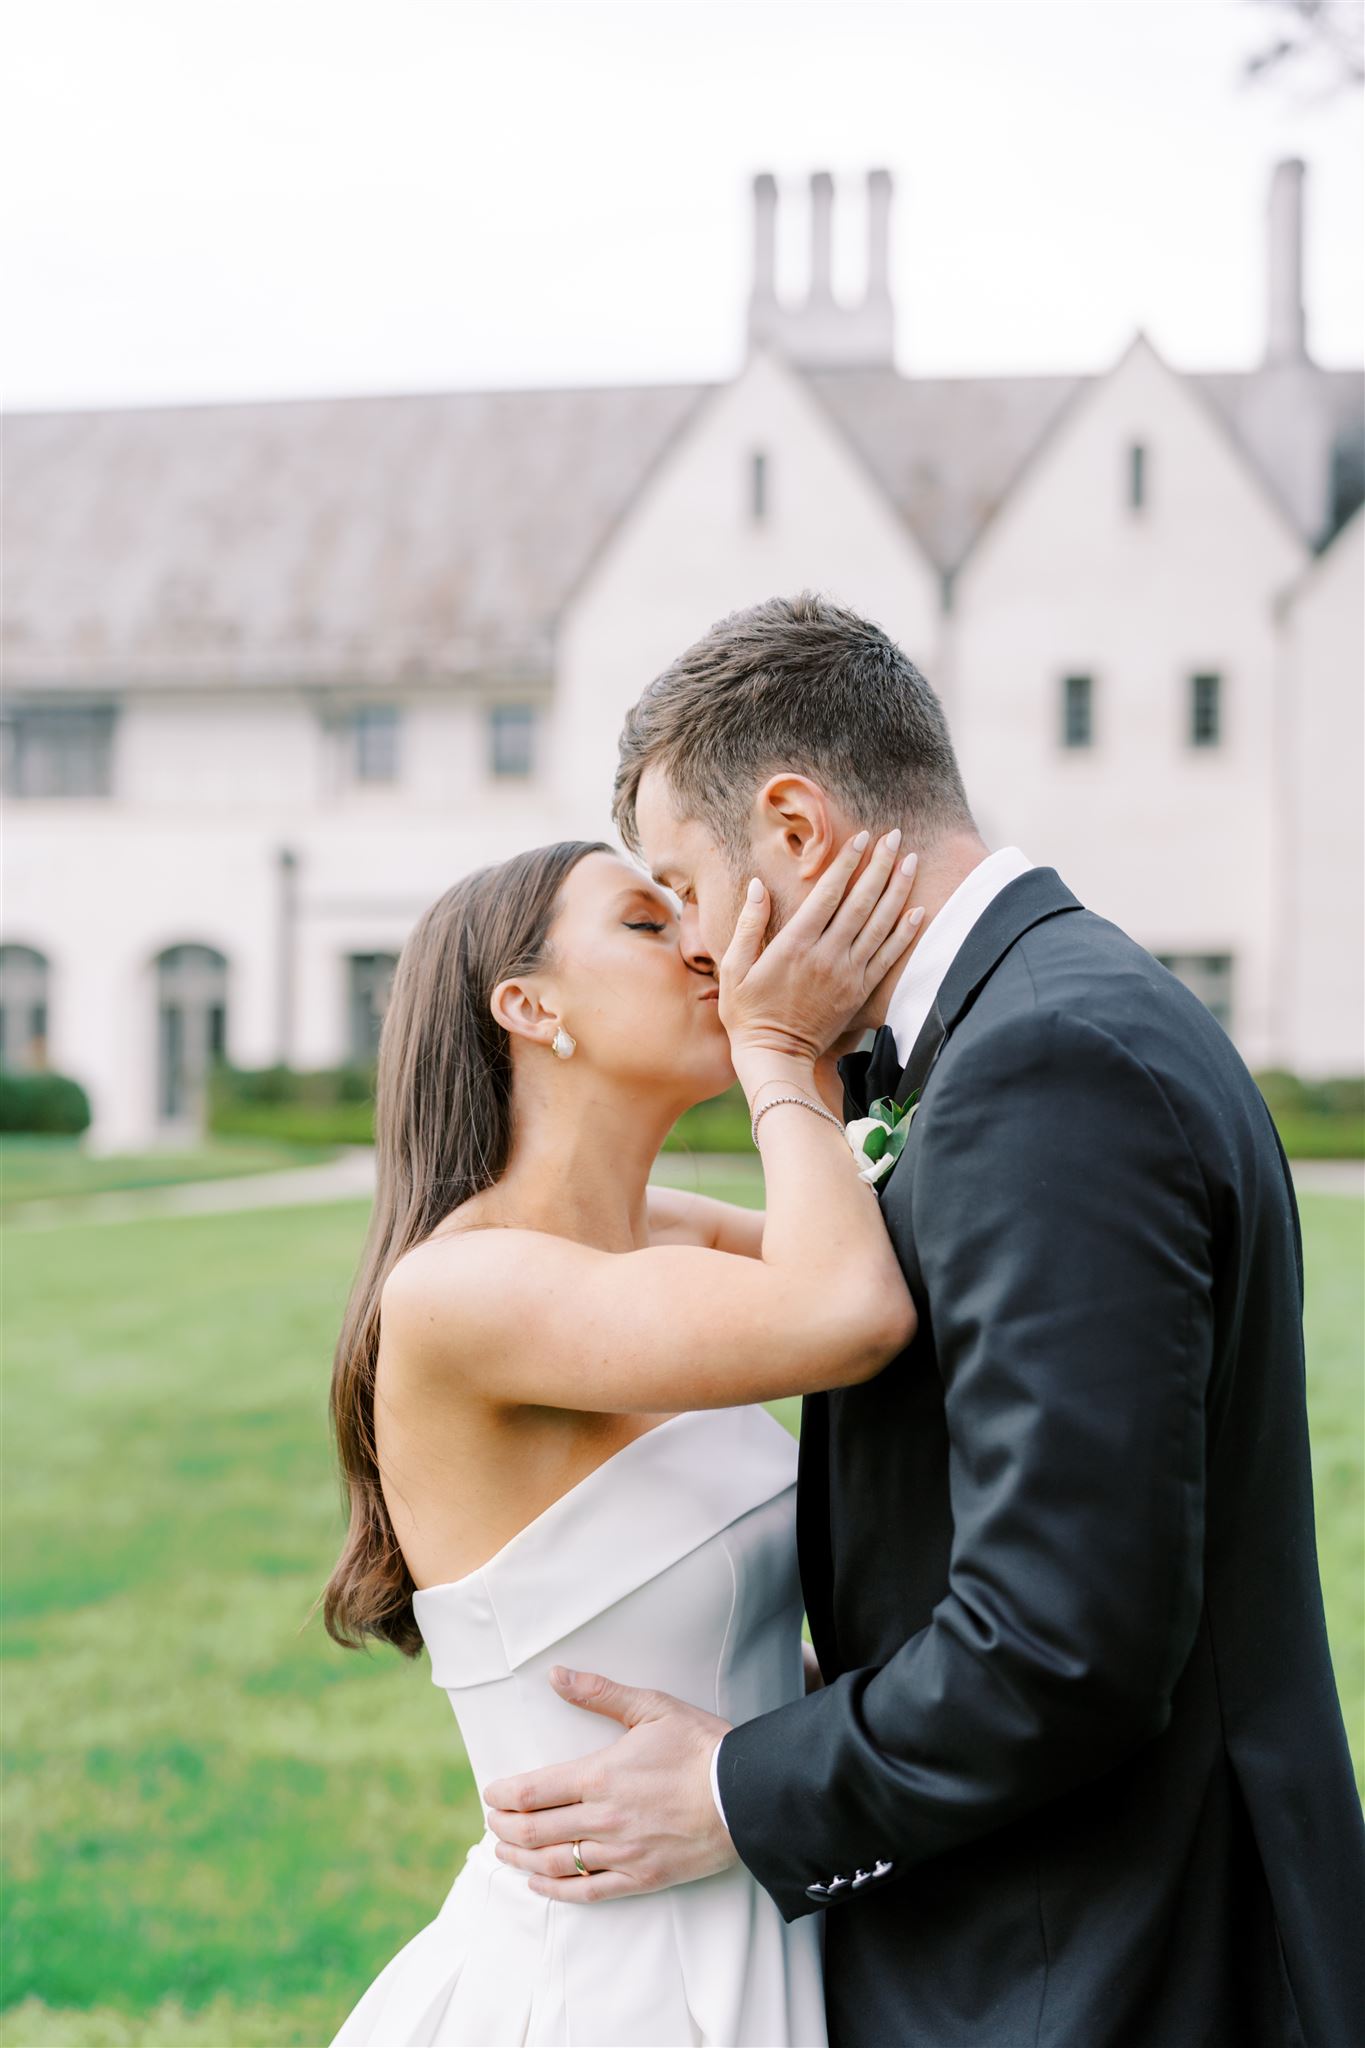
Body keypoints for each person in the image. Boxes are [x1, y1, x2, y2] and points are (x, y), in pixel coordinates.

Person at [484, 591, 1365, 2048]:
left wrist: (729, 1790)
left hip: (1106, 1964)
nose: (697, 952)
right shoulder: (1026, 1027)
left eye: (686, 889)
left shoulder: (1046, 1064)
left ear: (794, 827)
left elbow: (1061, 1641)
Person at [323, 827, 924, 2045]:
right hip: (611, 1973)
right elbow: (851, 1310)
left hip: (764, 1908)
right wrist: (778, 1051)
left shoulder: (665, 1234)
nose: (705, 950)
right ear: (530, 1006)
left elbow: (918, 1276)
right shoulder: (461, 1294)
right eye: (649, 926)